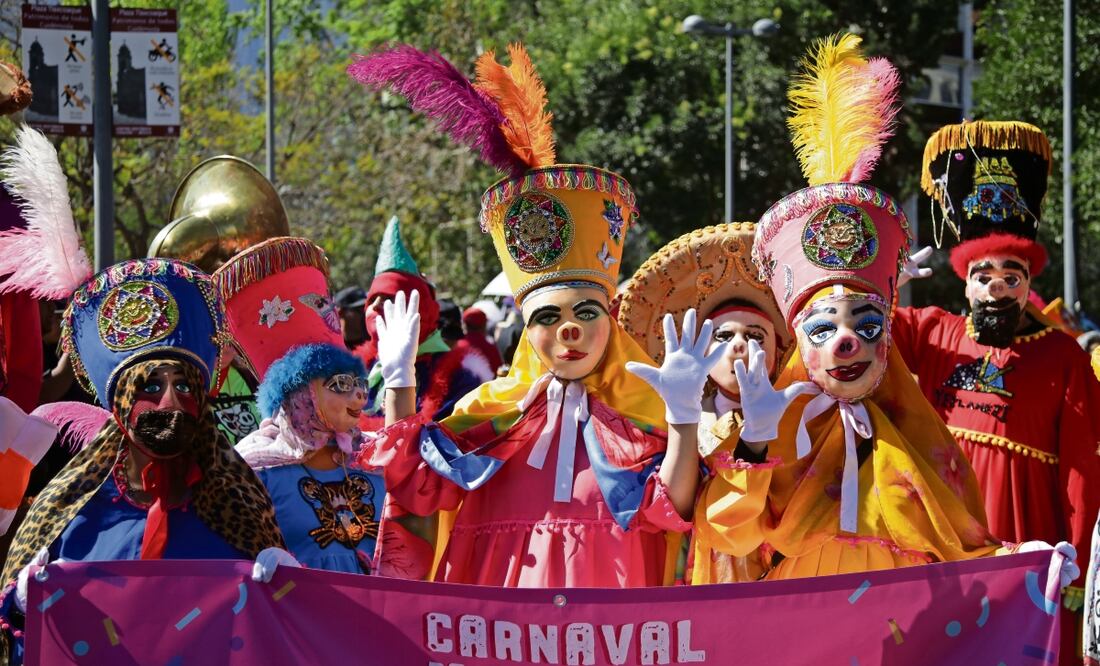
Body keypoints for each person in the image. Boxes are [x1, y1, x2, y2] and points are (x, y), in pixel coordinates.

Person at [693, 34, 1078, 587]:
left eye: (867, 325)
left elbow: (965, 549)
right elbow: (726, 536)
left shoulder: (913, 439)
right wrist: (755, 439)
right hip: (800, 619)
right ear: (798, 341)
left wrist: (1029, 563)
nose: (846, 341)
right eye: (823, 328)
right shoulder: (775, 428)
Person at [348, 41, 723, 587]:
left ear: (610, 320)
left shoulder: (643, 414)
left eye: (586, 311)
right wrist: (400, 378)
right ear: (527, 330)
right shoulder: (489, 414)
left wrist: (684, 420)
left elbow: (671, 512)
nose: (568, 329)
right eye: (548, 316)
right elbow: (416, 487)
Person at [0, 258, 290, 665]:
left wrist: (291, 589)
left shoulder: (241, 507)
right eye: (151, 386)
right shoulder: (67, 513)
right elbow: (16, 638)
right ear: (120, 404)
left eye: (185, 385)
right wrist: (19, 602)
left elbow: (281, 638)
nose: (171, 402)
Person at [896, 119, 1100, 659]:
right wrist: (882, 282)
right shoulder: (932, 331)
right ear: (964, 282)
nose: (998, 288)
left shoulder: (1061, 355)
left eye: (1013, 276)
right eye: (985, 275)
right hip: (946, 527)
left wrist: (1076, 562)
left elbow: (1082, 466)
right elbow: (856, 340)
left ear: (1030, 285)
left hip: (1029, 532)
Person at [216, 237, 429, 578]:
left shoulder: (367, 457)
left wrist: (402, 378)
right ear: (300, 396)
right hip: (295, 623)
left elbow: (411, 479)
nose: (358, 397)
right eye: (339, 386)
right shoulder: (253, 470)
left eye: (356, 383)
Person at [619, 221, 789, 583]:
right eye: (724, 335)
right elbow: (670, 511)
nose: (740, 345)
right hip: (692, 588)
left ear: (780, 349)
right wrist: (682, 416)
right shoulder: (681, 423)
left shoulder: (804, 419)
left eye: (755, 335)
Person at [355, 216, 493, 431]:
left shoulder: (461, 375)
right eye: (372, 299)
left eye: (390, 299)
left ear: (422, 310)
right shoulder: (356, 370)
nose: (377, 307)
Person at [456, 306, 505, 374]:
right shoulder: (490, 348)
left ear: (464, 325)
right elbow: (499, 371)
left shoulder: (456, 346)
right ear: (484, 325)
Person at [334, 285, 368, 349]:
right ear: (340, 312)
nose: (365, 314)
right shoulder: (334, 349)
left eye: (367, 309)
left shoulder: (377, 341)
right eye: (360, 310)